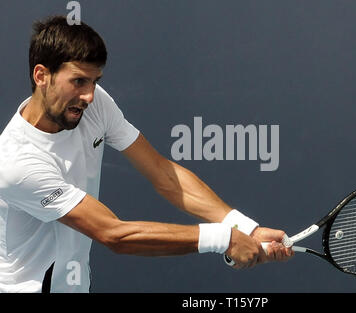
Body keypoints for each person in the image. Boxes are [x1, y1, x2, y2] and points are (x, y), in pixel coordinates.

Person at [0, 16, 292, 293]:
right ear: (42, 75)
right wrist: (223, 238)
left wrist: (244, 228)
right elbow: (114, 234)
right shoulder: (15, 164)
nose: (89, 95)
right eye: (78, 81)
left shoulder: (94, 105)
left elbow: (164, 174)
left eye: (95, 81)